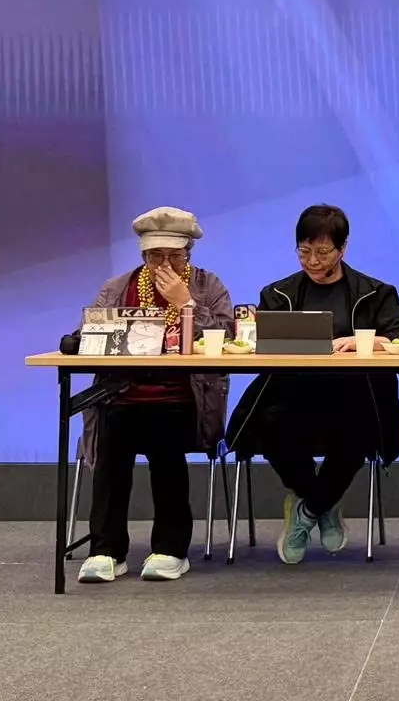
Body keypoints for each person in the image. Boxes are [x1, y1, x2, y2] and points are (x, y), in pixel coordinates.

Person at [226, 204, 399, 564]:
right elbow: (258, 343)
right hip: (291, 395)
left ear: (343, 248)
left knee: (356, 434)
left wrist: (363, 341)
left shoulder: (376, 292)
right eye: (304, 251)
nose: (312, 260)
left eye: (323, 252)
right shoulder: (277, 293)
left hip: (356, 397)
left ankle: (306, 510)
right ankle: (323, 504)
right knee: (271, 429)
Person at [76, 207, 234, 584]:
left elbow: (228, 335)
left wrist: (186, 304)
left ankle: (170, 548)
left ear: (188, 253)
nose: (164, 264)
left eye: (174, 256)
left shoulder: (207, 285)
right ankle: (106, 551)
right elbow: (87, 334)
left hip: (182, 398)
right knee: (113, 438)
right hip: (121, 395)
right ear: (143, 255)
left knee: (165, 439)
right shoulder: (118, 287)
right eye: (155, 256)